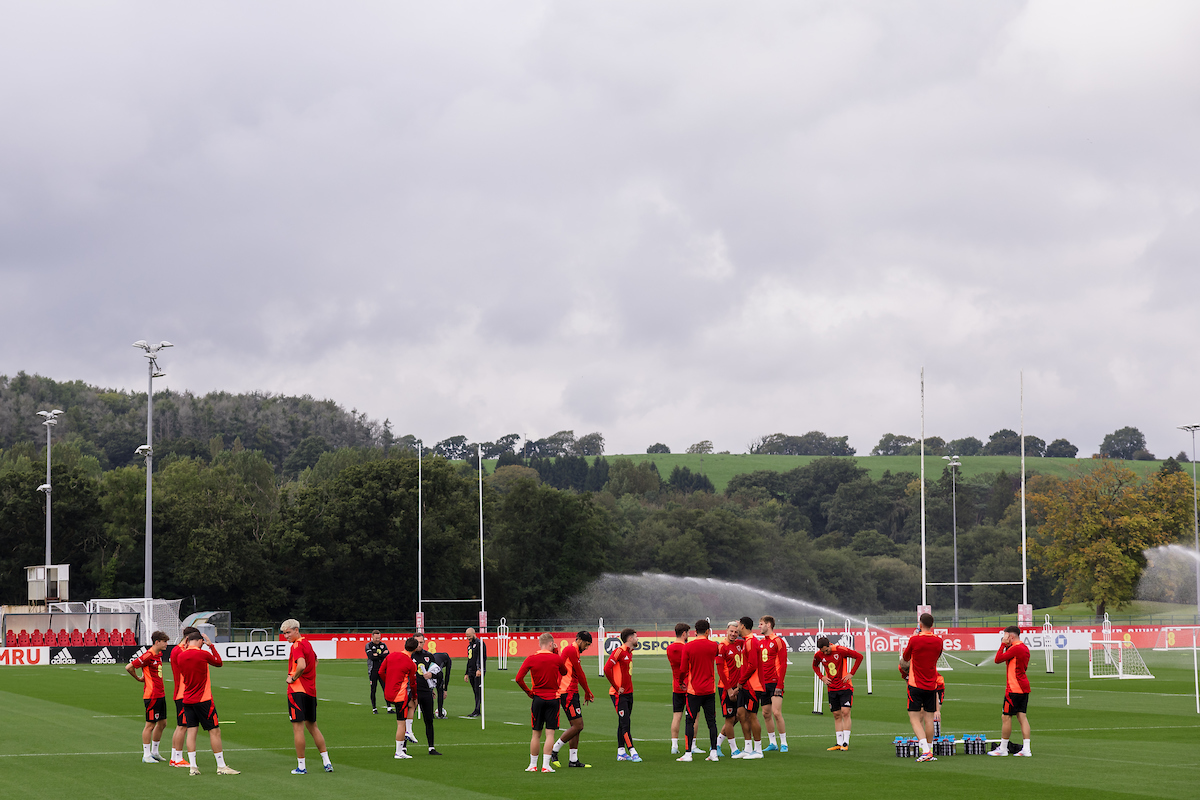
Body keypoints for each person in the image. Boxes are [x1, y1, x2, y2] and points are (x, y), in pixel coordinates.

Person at [173, 631, 239, 775]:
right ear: (200, 641)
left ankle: (193, 767)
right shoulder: (202, 654)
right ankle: (221, 766)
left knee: (191, 732)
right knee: (214, 731)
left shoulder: (180, 656)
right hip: (203, 699)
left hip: (187, 699)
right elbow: (218, 662)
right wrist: (211, 646)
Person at [282, 619, 333, 774]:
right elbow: (315, 661)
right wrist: (308, 676)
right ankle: (327, 762)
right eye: (284, 633)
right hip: (311, 691)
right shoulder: (308, 644)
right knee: (313, 727)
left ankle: (301, 766)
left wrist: (294, 677)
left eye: (288, 632)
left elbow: (302, 665)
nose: (286, 636)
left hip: (297, 691)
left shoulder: (297, 645)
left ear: (296, 630)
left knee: (298, 729)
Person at [516, 632, 569, 773]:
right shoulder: (556, 658)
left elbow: (518, 678)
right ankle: (546, 765)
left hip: (537, 698)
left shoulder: (531, 658)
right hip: (553, 699)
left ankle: (532, 765)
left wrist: (529, 692)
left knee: (536, 734)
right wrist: (557, 652)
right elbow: (564, 672)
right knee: (550, 734)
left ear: (540, 644)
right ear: (551, 644)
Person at [899, 613, 944, 763]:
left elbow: (905, 658)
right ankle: (929, 749)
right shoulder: (938, 641)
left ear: (920, 623)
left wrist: (914, 638)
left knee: (914, 718)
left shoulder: (914, 639)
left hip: (916, 684)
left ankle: (925, 750)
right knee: (929, 719)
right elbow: (938, 655)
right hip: (931, 684)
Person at [676, 619, 721, 763]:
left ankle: (688, 753)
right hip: (709, 690)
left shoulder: (688, 646)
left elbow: (682, 669)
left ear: (695, 631)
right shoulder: (714, 646)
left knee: (690, 721)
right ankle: (714, 752)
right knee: (711, 722)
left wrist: (681, 681)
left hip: (694, 690)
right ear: (708, 631)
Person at [550, 631, 596, 769]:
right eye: (586, 644)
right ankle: (554, 750)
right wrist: (587, 691)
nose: (586, 648)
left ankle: (573, 760)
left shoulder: (572, 650)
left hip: (571, 692)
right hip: (567, 692)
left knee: (576, 727)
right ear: (580, 640)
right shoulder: (571, 649)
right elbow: (579, 672)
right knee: (578, 725)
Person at [813, 635, 864, 751]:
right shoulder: (818, 655)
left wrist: (851, 673)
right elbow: (814, 665)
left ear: (829, 644)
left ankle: (845, 743)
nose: (825, 653)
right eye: (823, 651)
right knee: (836, 715)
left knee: (845, 712)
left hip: (845, 686)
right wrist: (822, 677)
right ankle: (839, 742)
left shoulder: (840, 650)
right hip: (832, 688)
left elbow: (859, 656)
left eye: (826, 650)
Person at [126, 630, 170, 763]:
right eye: (165, 641)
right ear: (157, 642)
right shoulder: (148, 655)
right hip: (152, 695)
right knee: (150, 725)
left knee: (162, 723)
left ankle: (155, 752)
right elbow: (129, 667)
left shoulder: (158, 654)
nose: (167, 644)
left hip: (160, 694)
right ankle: (146, 755)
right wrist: (138, 678)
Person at [989, 625, 1032, 757]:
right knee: (1022, 717)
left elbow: (997, 659)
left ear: (1011, 636)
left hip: (1014, 689)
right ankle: (1026, 748)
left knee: (1006, 717)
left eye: (1005, 635)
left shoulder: (1016, 648)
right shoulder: (1024, 648)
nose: (1004, 638)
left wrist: (1003, 645)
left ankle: (1003, 748)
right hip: (1023, 687)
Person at [604, 627, 641, 762]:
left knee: (623, 722)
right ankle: (632, 751)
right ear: (630, 638)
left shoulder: (629, 652)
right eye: (636, 637)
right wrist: (616, 686)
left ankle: (621, 752)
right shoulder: (619, 651)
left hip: (628, 693)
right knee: (625, 723)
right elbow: (606, 668)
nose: (638, 639)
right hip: (619, 695)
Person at [379, 638, 419, 759]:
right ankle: (399, 751)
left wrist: (388, 682)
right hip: (399, 696)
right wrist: (415, 696)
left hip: (389, 693)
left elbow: (381, 672)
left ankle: (409, 730)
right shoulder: (411, 664)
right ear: (416, 648)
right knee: (401, 724)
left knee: (411, 705)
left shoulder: (391, 656)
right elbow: (413, 684)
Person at [167, 626, 199, 768]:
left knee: (180, 726)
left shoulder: (176, 650)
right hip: (183, 692)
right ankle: (178, 758)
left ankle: (175, 757)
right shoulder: (181, 650)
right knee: (183, 726)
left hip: (180, 691)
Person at [408, 634, 443, 755]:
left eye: (421, 642)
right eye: (417, 642)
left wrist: (431, 676)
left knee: (429, 720)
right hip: (412, 692)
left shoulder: (429, 656)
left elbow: (438, 673)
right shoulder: (409, 655)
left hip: (426, 691)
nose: (419, 644)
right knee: (407, 720)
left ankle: (431, 747)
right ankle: (402, 748)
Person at [734, 616, 764, 759]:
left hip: (753, 685)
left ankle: (758, 750)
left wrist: (741, 681)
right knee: (741, 714)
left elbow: (752, 665)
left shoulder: (752, 641)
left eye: (738, 625)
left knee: (752, 715)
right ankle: (747, 748)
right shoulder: (747, 641)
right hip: (746, 684)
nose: (737, 627)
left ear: (743, 626)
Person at [757, 616, 787, 752]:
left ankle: (784, 743)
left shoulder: (778, 641)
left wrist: (780, 684)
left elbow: (783, 663)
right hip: (763, 683)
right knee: (766, 714)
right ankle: (772, 742)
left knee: (776, 713)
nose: (759, 626)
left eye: (761, 624)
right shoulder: (760, 643)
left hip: (775, 683)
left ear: (768, 625)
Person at [666, 622, 695, 755]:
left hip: (676, 686)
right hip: (689, 686)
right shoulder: (688, 647)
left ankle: (674, 746)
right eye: (688, 633)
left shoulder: (670, 648)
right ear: (684, 633)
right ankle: (692, 745)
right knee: (694, 716)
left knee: (676, 716)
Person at [715, 621, 743, 757]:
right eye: (731, 631)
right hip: (727, 688)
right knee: (730, 718)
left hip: (738, 687)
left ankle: (717, 742)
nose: (733, 634)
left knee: (738, 716)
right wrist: (729, 690)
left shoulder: (739, 644)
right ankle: (734, 749)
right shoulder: (722, 647)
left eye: (736, 631)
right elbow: (720, 671)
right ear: (727, 630)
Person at [366, 631, 390, 714]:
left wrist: (377, 655)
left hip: (383, 670)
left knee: (386, 689)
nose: (377, 639)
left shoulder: (383, 645)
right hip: (373, 670)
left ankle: (389, 708)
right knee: (373, 689)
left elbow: (387, 655)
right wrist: (381, 655)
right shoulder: (368, 645)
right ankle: (374, 708)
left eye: (379, 638)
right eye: (376, 638)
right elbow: (371, 657)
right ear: (372, 637)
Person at [465, 627, 486, 717]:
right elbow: (469, 659)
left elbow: (482, 657)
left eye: (469, 636)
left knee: (478, 690)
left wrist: (480, 669)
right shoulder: (469, 646)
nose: (468, 638)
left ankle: (477, 710)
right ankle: (476, 709)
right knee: (475, 690)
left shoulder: (480, 643)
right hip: (471, 671)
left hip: (478, 671)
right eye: (467, 636)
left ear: (474, 634)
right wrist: (466, 673)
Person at [433, 649, 453, 718]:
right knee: (440, 691)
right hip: (436, 671)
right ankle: (440, 714)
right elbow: (447, 674)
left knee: (429, 692)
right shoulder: (448, 659)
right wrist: (445, 690)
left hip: (428, 671)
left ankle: (430, 713)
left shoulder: (435, 655)